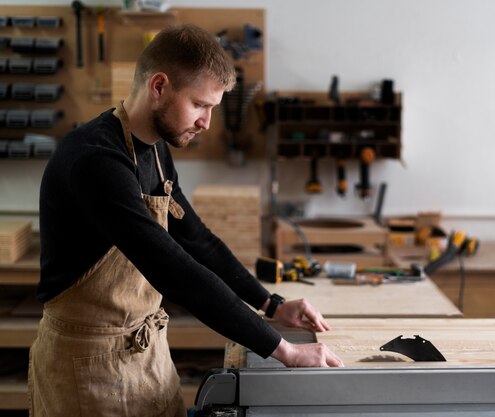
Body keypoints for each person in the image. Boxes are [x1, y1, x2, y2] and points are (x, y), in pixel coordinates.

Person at [28, 23, 343, 417]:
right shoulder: (95, 160)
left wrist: (271, 303)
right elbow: (173, 269)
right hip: (85, 365)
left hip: (145, 356)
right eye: (199, 105)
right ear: (159, 86)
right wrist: (284, 351)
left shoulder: (156, 150)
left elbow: (197, 241)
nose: (206, 122)